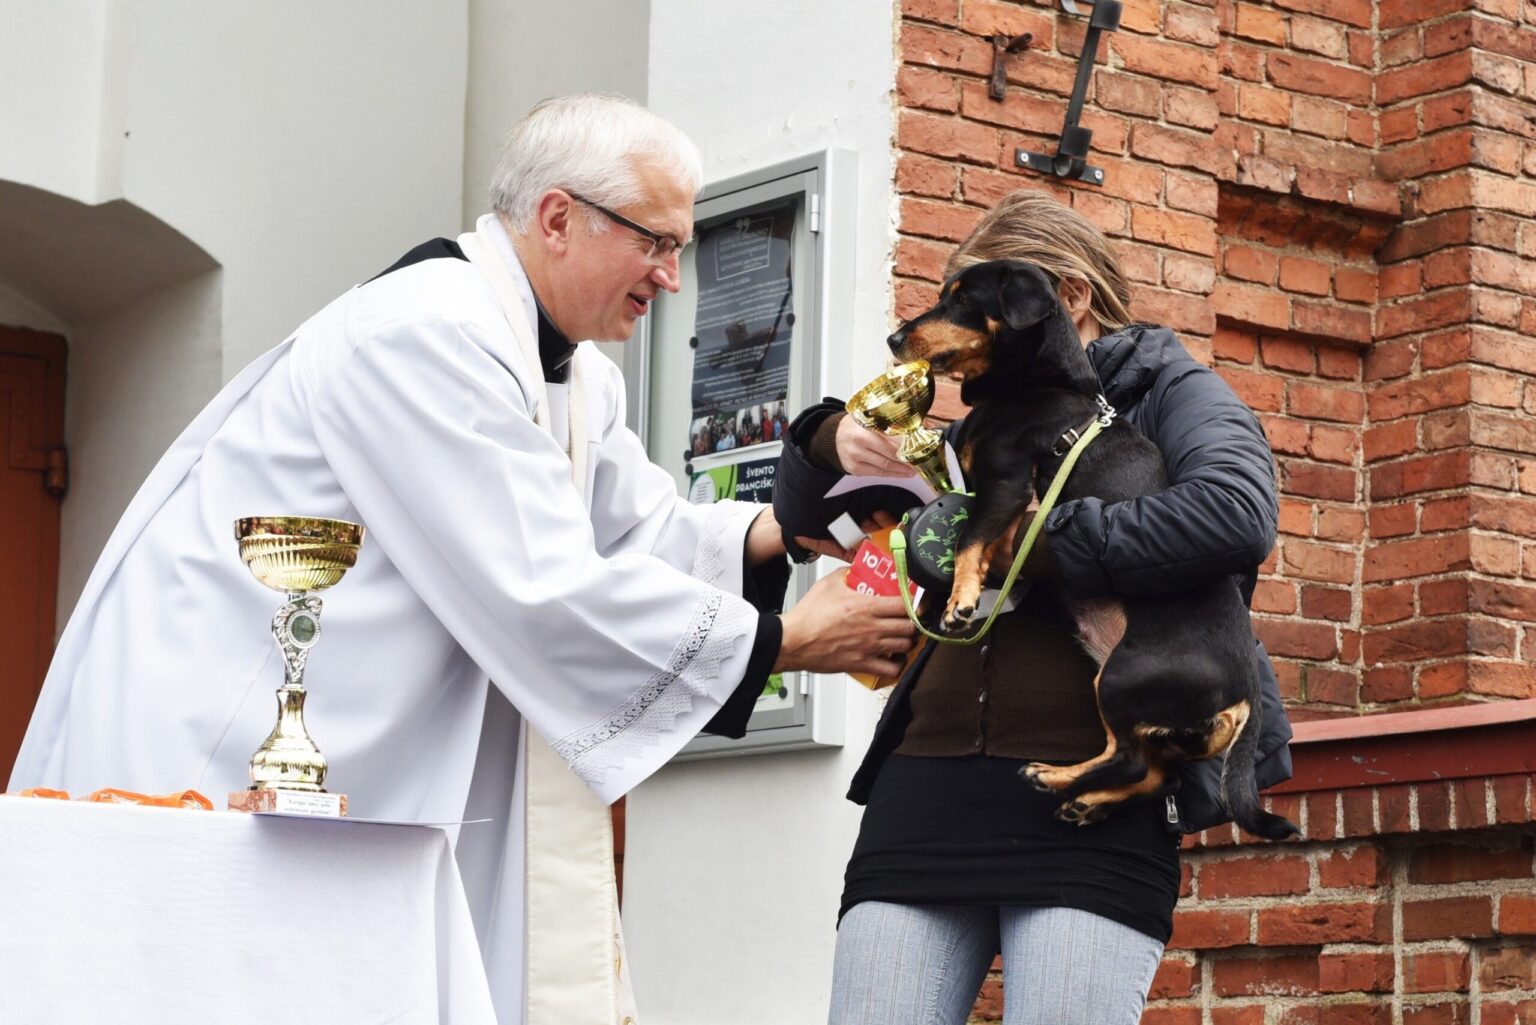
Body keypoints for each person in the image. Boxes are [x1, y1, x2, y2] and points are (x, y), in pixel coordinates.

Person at [8, 94, 916, 1024]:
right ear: (560, 218)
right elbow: (545, 585)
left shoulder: (568, 367)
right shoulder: (426, 331)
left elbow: (639, 534)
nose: (673, 278)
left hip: (376, 772)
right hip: (221, 743)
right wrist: (790, 641)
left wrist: (801, 518)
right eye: (657, 242)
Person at [772, 190, 1293, 1025]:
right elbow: (805, 522)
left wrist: (1028, 545)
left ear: (1069, 297)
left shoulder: (1167, 391)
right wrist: (826, 441)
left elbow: (1234, 516)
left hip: (1089, 798)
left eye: (970, 307)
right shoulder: (984, 415)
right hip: (925, 784)